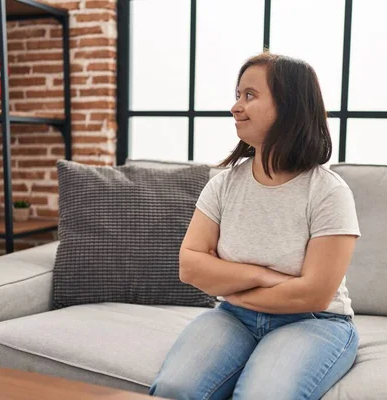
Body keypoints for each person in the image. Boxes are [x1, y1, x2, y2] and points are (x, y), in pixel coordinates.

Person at [149, 51, 362, 400]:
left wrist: (228, 282)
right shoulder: (223, 184)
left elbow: (315, 293)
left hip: (314, 322)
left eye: (250, 95)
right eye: (237, 95)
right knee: (175, 389)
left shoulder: (328, 192)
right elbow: (189, 265)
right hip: (235, 315)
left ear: (289, 106)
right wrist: (261, 276)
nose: (236, 107)